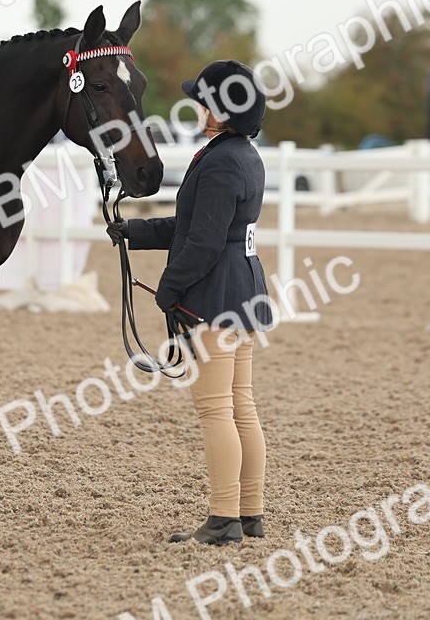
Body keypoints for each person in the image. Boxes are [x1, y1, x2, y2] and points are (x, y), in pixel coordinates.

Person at [107, 60, 273, 546]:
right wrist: (136, 231)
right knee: (241, 406)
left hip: (216, 296)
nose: (198, 108)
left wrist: (170, 289)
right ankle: (249, 512)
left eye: (204, 102)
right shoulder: (243, 155)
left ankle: (223, 518)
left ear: (222, 111)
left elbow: (203, 242)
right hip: (242, 290)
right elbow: (196, 227)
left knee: (216, 410)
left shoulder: (220, 162)